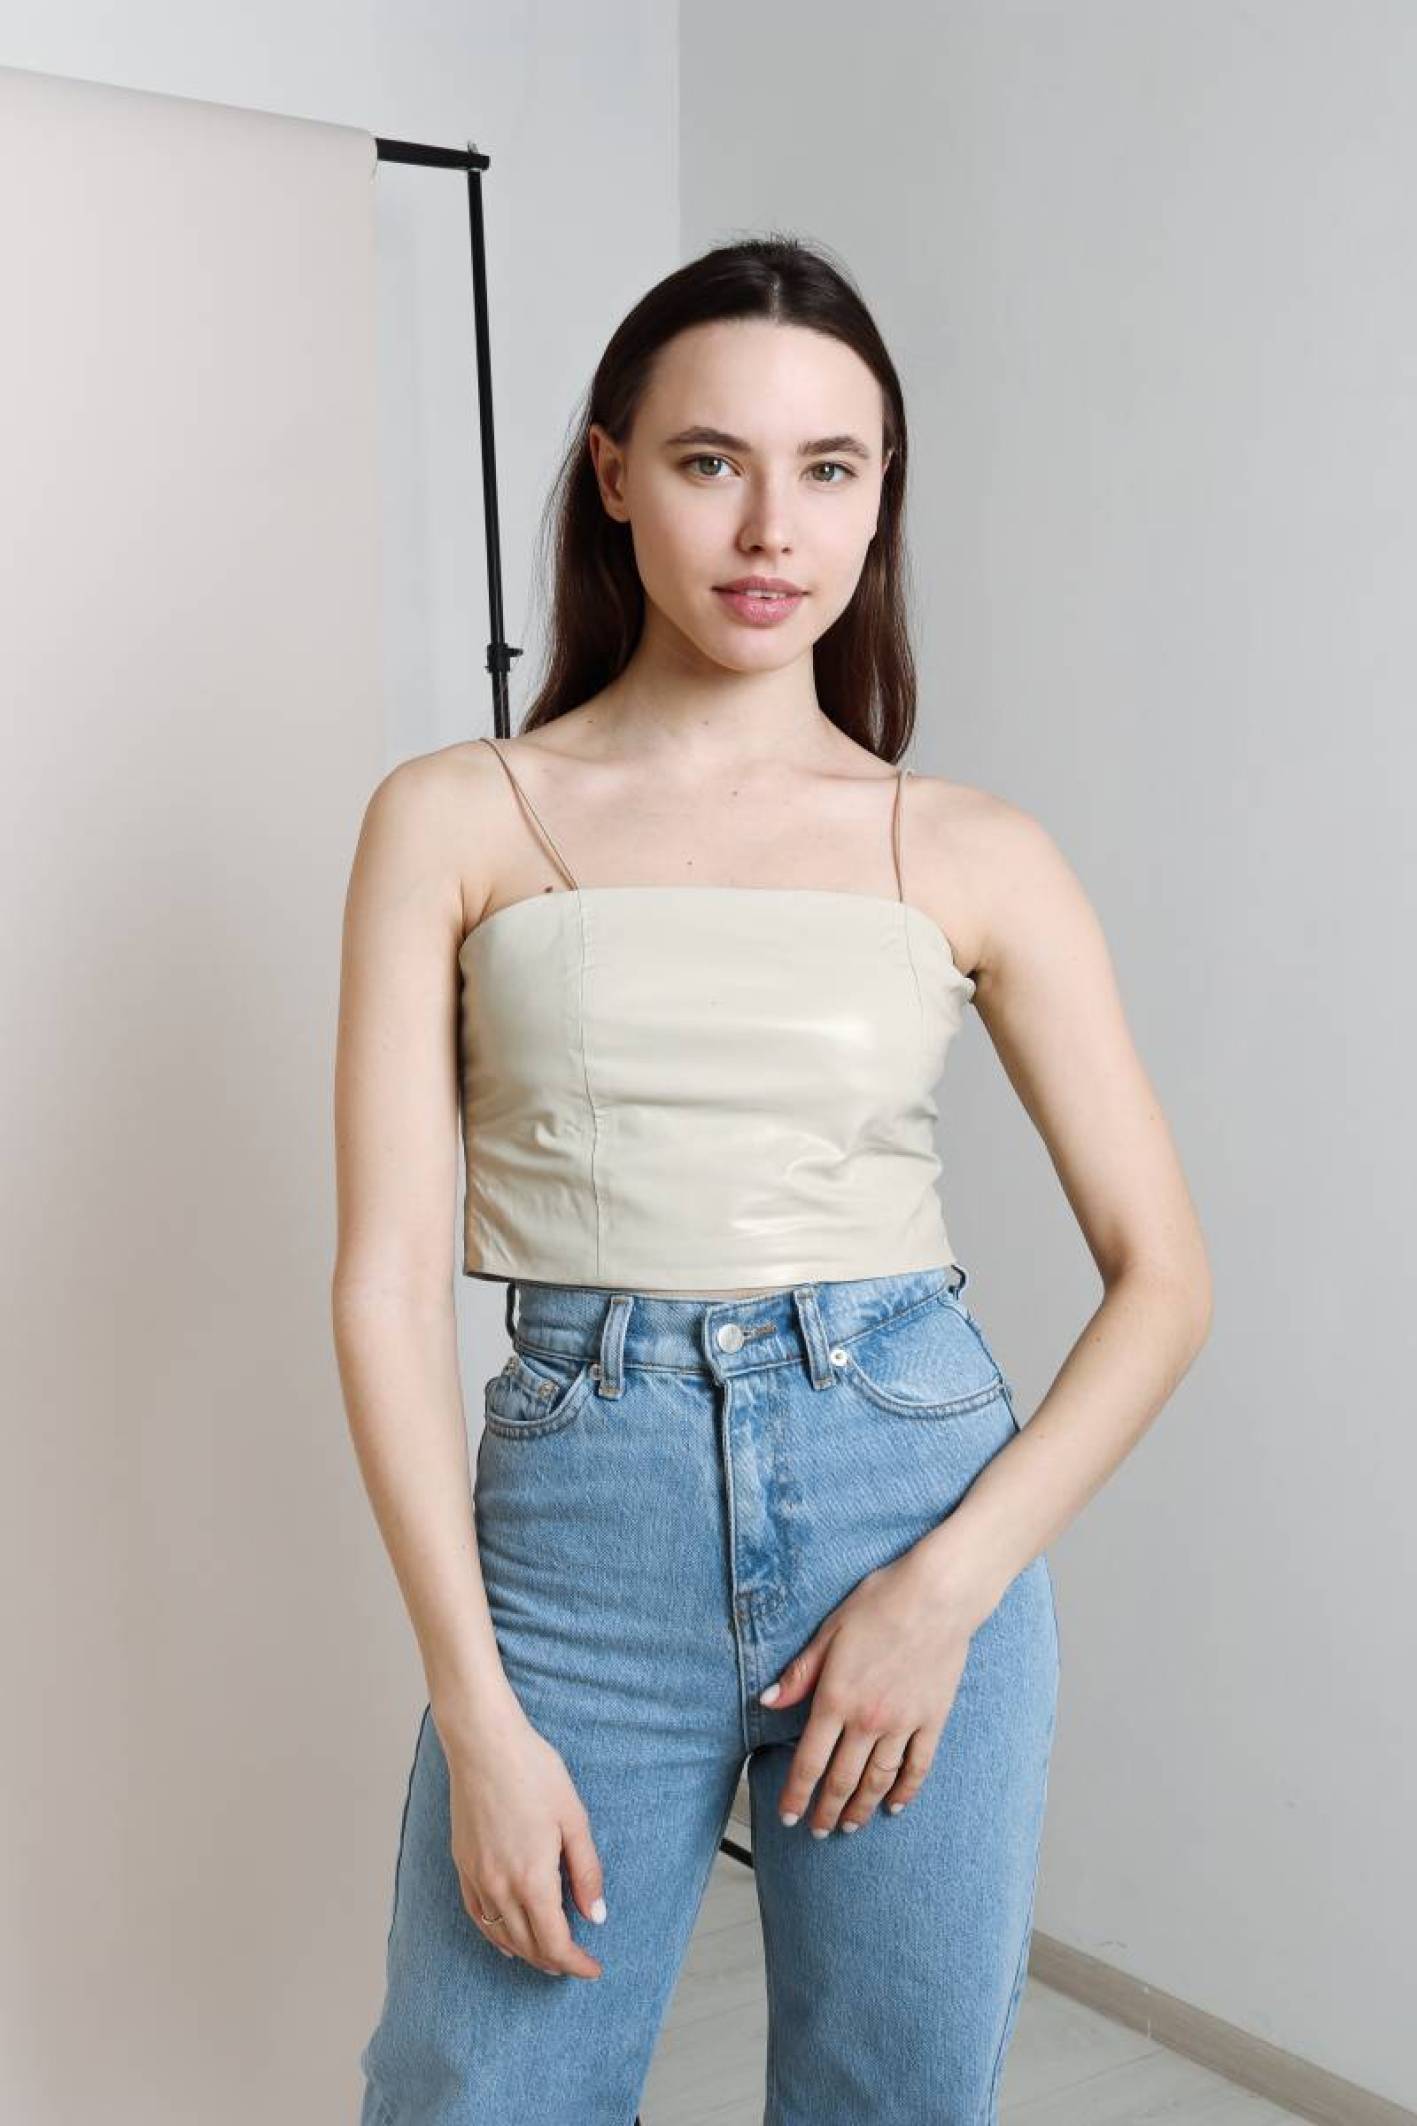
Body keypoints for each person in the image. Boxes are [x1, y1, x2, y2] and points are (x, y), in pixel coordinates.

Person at [333, 235, 1213, 2126]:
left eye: (828, 467)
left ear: (880, 495)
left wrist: (944, 1590)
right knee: (481, 2089)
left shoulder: (968, 847)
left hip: (907, 1487)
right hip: (581, 1519)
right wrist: (475, 1709)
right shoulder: (454, 814)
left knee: (891, 2099)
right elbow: (386, 1285)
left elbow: (1163, 1276)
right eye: (709, 460)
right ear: (611, 474)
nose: (769, 527)